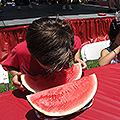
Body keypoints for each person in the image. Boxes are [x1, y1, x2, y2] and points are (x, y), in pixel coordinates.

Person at [2, 17, 87, 90]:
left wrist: (77, 59)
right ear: (33, 53)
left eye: (59, 65)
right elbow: (10, 66)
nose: (55, 69)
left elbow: (77, 44)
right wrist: (16, 76)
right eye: (51, 65)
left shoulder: (67, 42)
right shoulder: (20, 51)